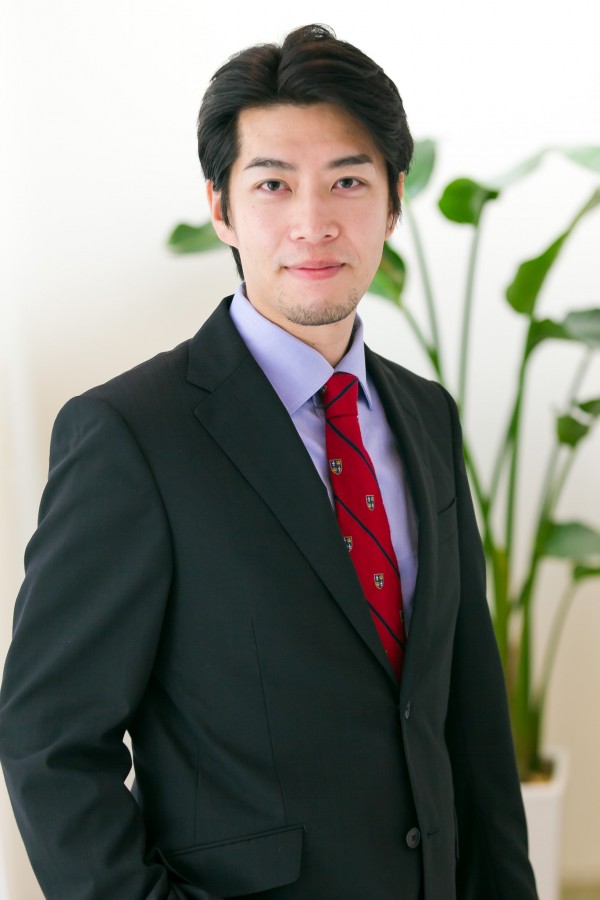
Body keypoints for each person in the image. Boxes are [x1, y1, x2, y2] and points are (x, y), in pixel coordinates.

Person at [0, 24, 538, 900]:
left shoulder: (426, 416)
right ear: (221, 207)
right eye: (273, 184)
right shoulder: (131, 435)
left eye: (348, 181)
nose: (313, 223)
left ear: (393, 202)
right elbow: (49, 740)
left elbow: (470, 720)